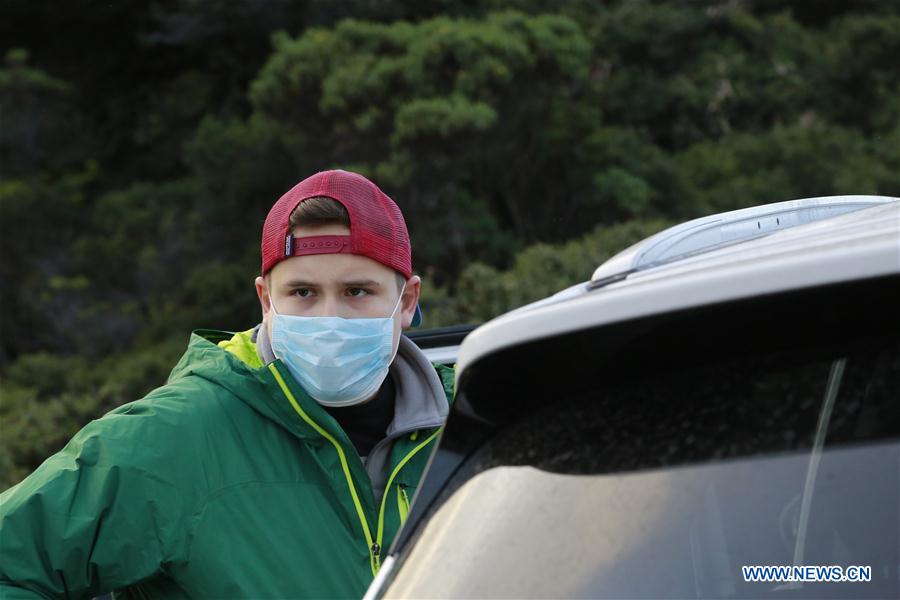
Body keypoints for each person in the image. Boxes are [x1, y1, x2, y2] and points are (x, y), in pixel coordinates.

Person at [0, 170, 454, 599]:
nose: (328, 318)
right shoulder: (174, 438)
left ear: (407, 301)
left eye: (357, 291)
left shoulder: (478, 428)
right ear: (265, 300)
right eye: (302, 293)